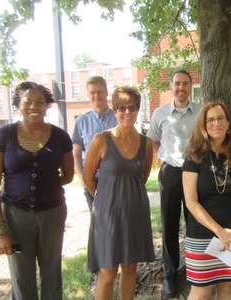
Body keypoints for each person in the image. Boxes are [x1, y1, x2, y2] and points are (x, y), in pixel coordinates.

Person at [0, 82, 74, 299]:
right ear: (18, 104)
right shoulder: (1, 136)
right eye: (27, 101)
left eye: (40, 102)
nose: (33, 106)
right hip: (15, 217)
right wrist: (0, 230)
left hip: (53, 215)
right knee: (21, 276)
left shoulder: (61, 136)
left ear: (47, 106)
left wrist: (46, 186)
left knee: (52, 272)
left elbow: (69, 175)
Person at [83, 86, 155, 300]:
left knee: (130, 267)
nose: (126, 112)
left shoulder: (146, 143)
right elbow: (87, 177)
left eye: (131, 108)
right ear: (114, 110)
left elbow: (142, 176)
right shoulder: (101, 140)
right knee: (107, 272)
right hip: (107, 213)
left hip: (135, 211)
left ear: (137, 110)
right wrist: (104, 198)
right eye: (121, 108)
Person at [182, 101, 231, 300]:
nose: (216, 123)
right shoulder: (194, 155)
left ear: (228, 121)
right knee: (201, 292)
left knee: (227, 288)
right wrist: (219, 232)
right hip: (202, 235)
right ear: (204, 124)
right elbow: (191, 202)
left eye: (220, 118)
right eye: (211, 119)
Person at [147, 69, 201, 296]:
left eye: (185, 83)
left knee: (195, 223)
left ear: (191, 86)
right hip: (170, 172)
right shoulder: (160, 113)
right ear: (171, 86)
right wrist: (163, 160)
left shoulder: (201, 111)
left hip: (195, 173)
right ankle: (170, 273)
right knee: (169, 224)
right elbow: (153, 141)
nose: (181, 87)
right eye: (177, 83)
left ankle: (194, 269)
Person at [72, 75, 117, 212]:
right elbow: (77, 154)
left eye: (100, 91)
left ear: (106, 92)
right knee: (97, 222)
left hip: (115, 179)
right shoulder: (81, 121)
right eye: (92, 92)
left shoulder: (118, 117)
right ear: (88, 95)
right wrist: (83, 180)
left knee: (116, 218)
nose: (96, 95)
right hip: (92, 179)